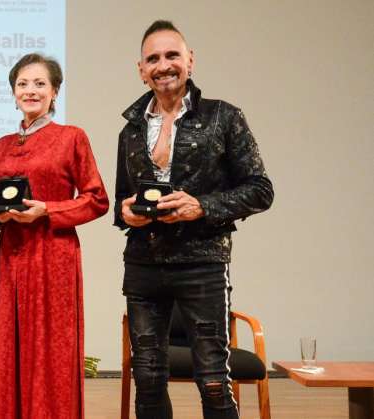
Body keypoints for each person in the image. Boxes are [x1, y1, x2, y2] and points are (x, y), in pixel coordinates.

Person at [114, 20, 274, 419]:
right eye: (153, 58)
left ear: (190, 60)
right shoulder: (130, 131)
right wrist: (125, 213)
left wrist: (201, 206)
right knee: (147, 381)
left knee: (214, 380)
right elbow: (122, 199)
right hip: (143, 266)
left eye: (172, 55)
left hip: (203, 264)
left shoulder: (224, 117)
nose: (163, 65)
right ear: (141, 69)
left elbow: (260, 189)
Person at [0, 53, 109, 419]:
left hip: (54, 255)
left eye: (40, 83)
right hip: (12, 253)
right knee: (11, 347)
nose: (31, 90)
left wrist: (50, 210)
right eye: (23, 84)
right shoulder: (0, 146)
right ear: (13, 92)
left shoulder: (71, 137)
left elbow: (98, 200)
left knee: (52, 349)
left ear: (54, 91)